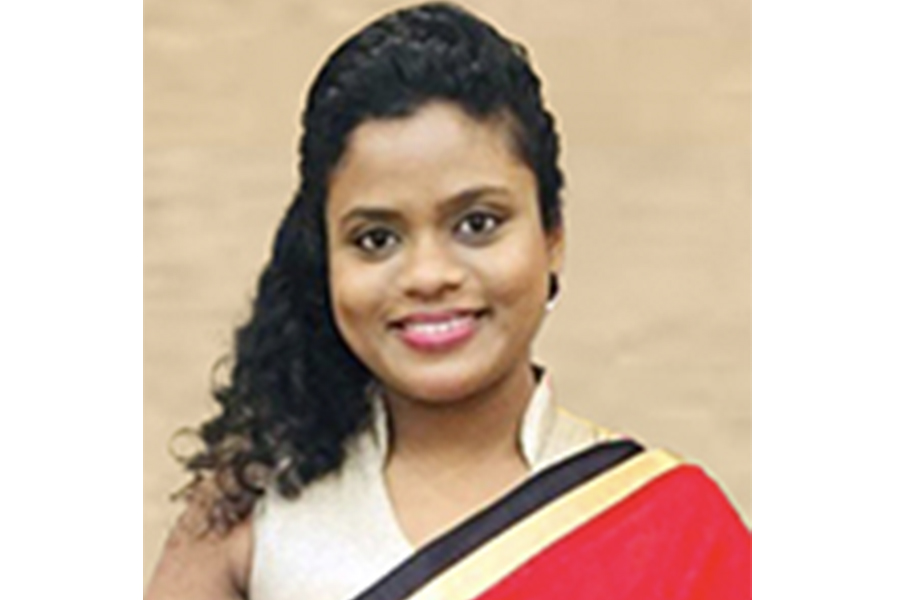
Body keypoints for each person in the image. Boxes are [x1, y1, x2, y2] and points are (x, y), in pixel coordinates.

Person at [145, 3, 751, 599]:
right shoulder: (254, 510)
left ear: (552, 237)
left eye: (478, 223)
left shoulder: (672, 528)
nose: (428, 275)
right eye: (375, 239)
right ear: (325, 257)